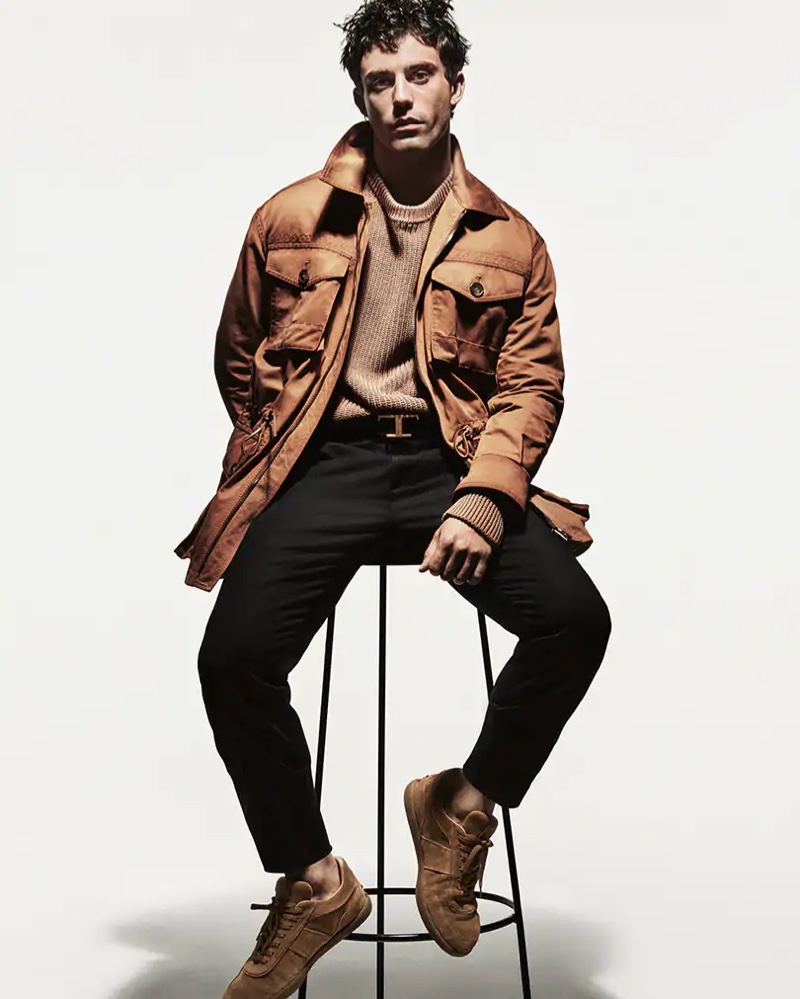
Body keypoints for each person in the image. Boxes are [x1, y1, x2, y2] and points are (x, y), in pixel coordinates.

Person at [173, 2, 612, 996]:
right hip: (325, 466)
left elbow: (530, 386)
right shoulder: (290, 217)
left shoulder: (511, 240)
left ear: (454, 85)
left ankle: (460, 805)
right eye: (380, 81)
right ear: (359, 95)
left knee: (575, 622)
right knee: (232, 660)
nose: (401, 97)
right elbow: (240, 354)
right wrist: (278, 451)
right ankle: (313, 879)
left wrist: (484, 498)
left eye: (419, 75)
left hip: (451, 466)